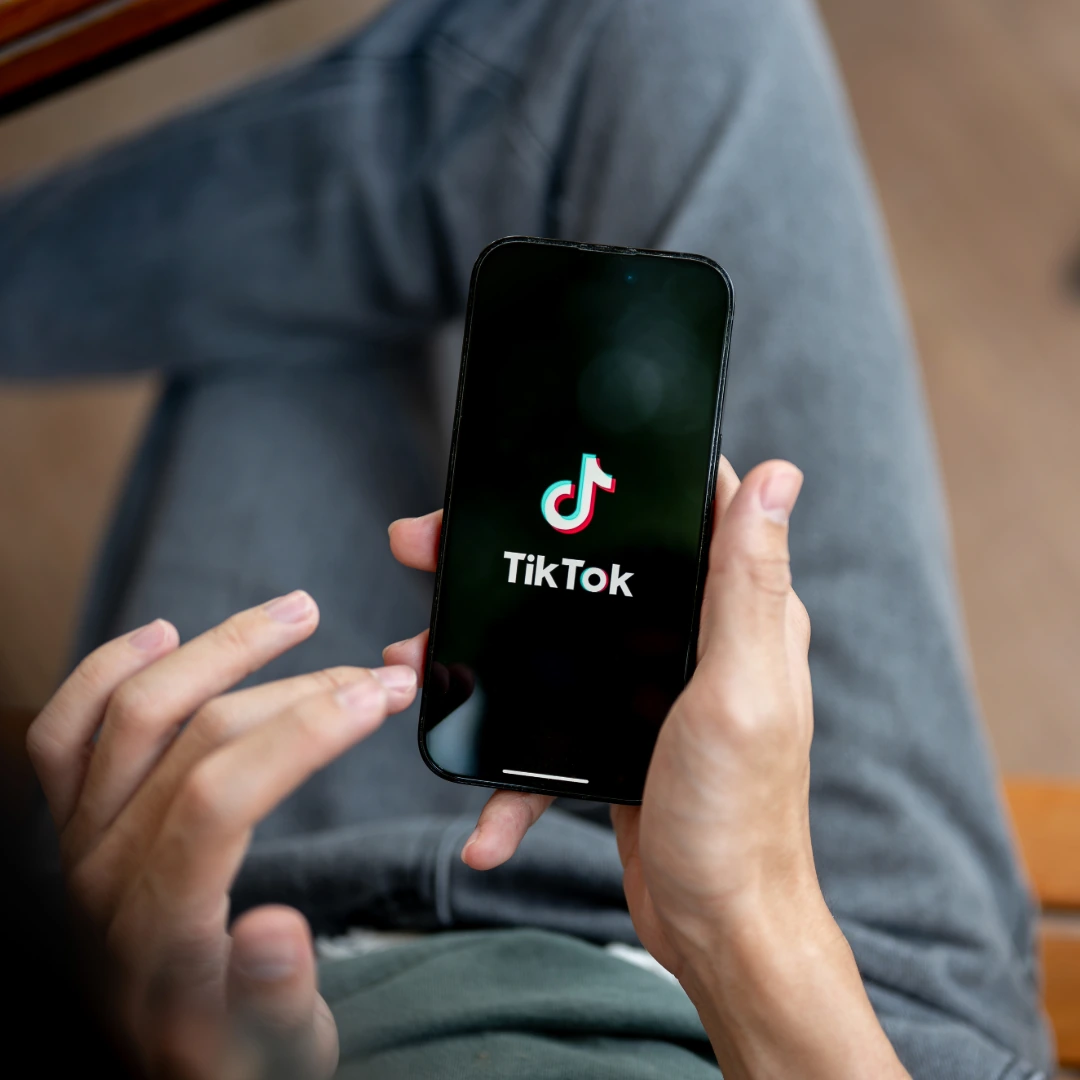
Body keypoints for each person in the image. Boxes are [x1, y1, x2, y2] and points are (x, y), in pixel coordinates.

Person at [1, 0, 1051, 1076]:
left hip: (280, 929)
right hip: (842, 990)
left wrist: (136, 1032)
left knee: (298, 319)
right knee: (678, 25)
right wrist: (745, 925)